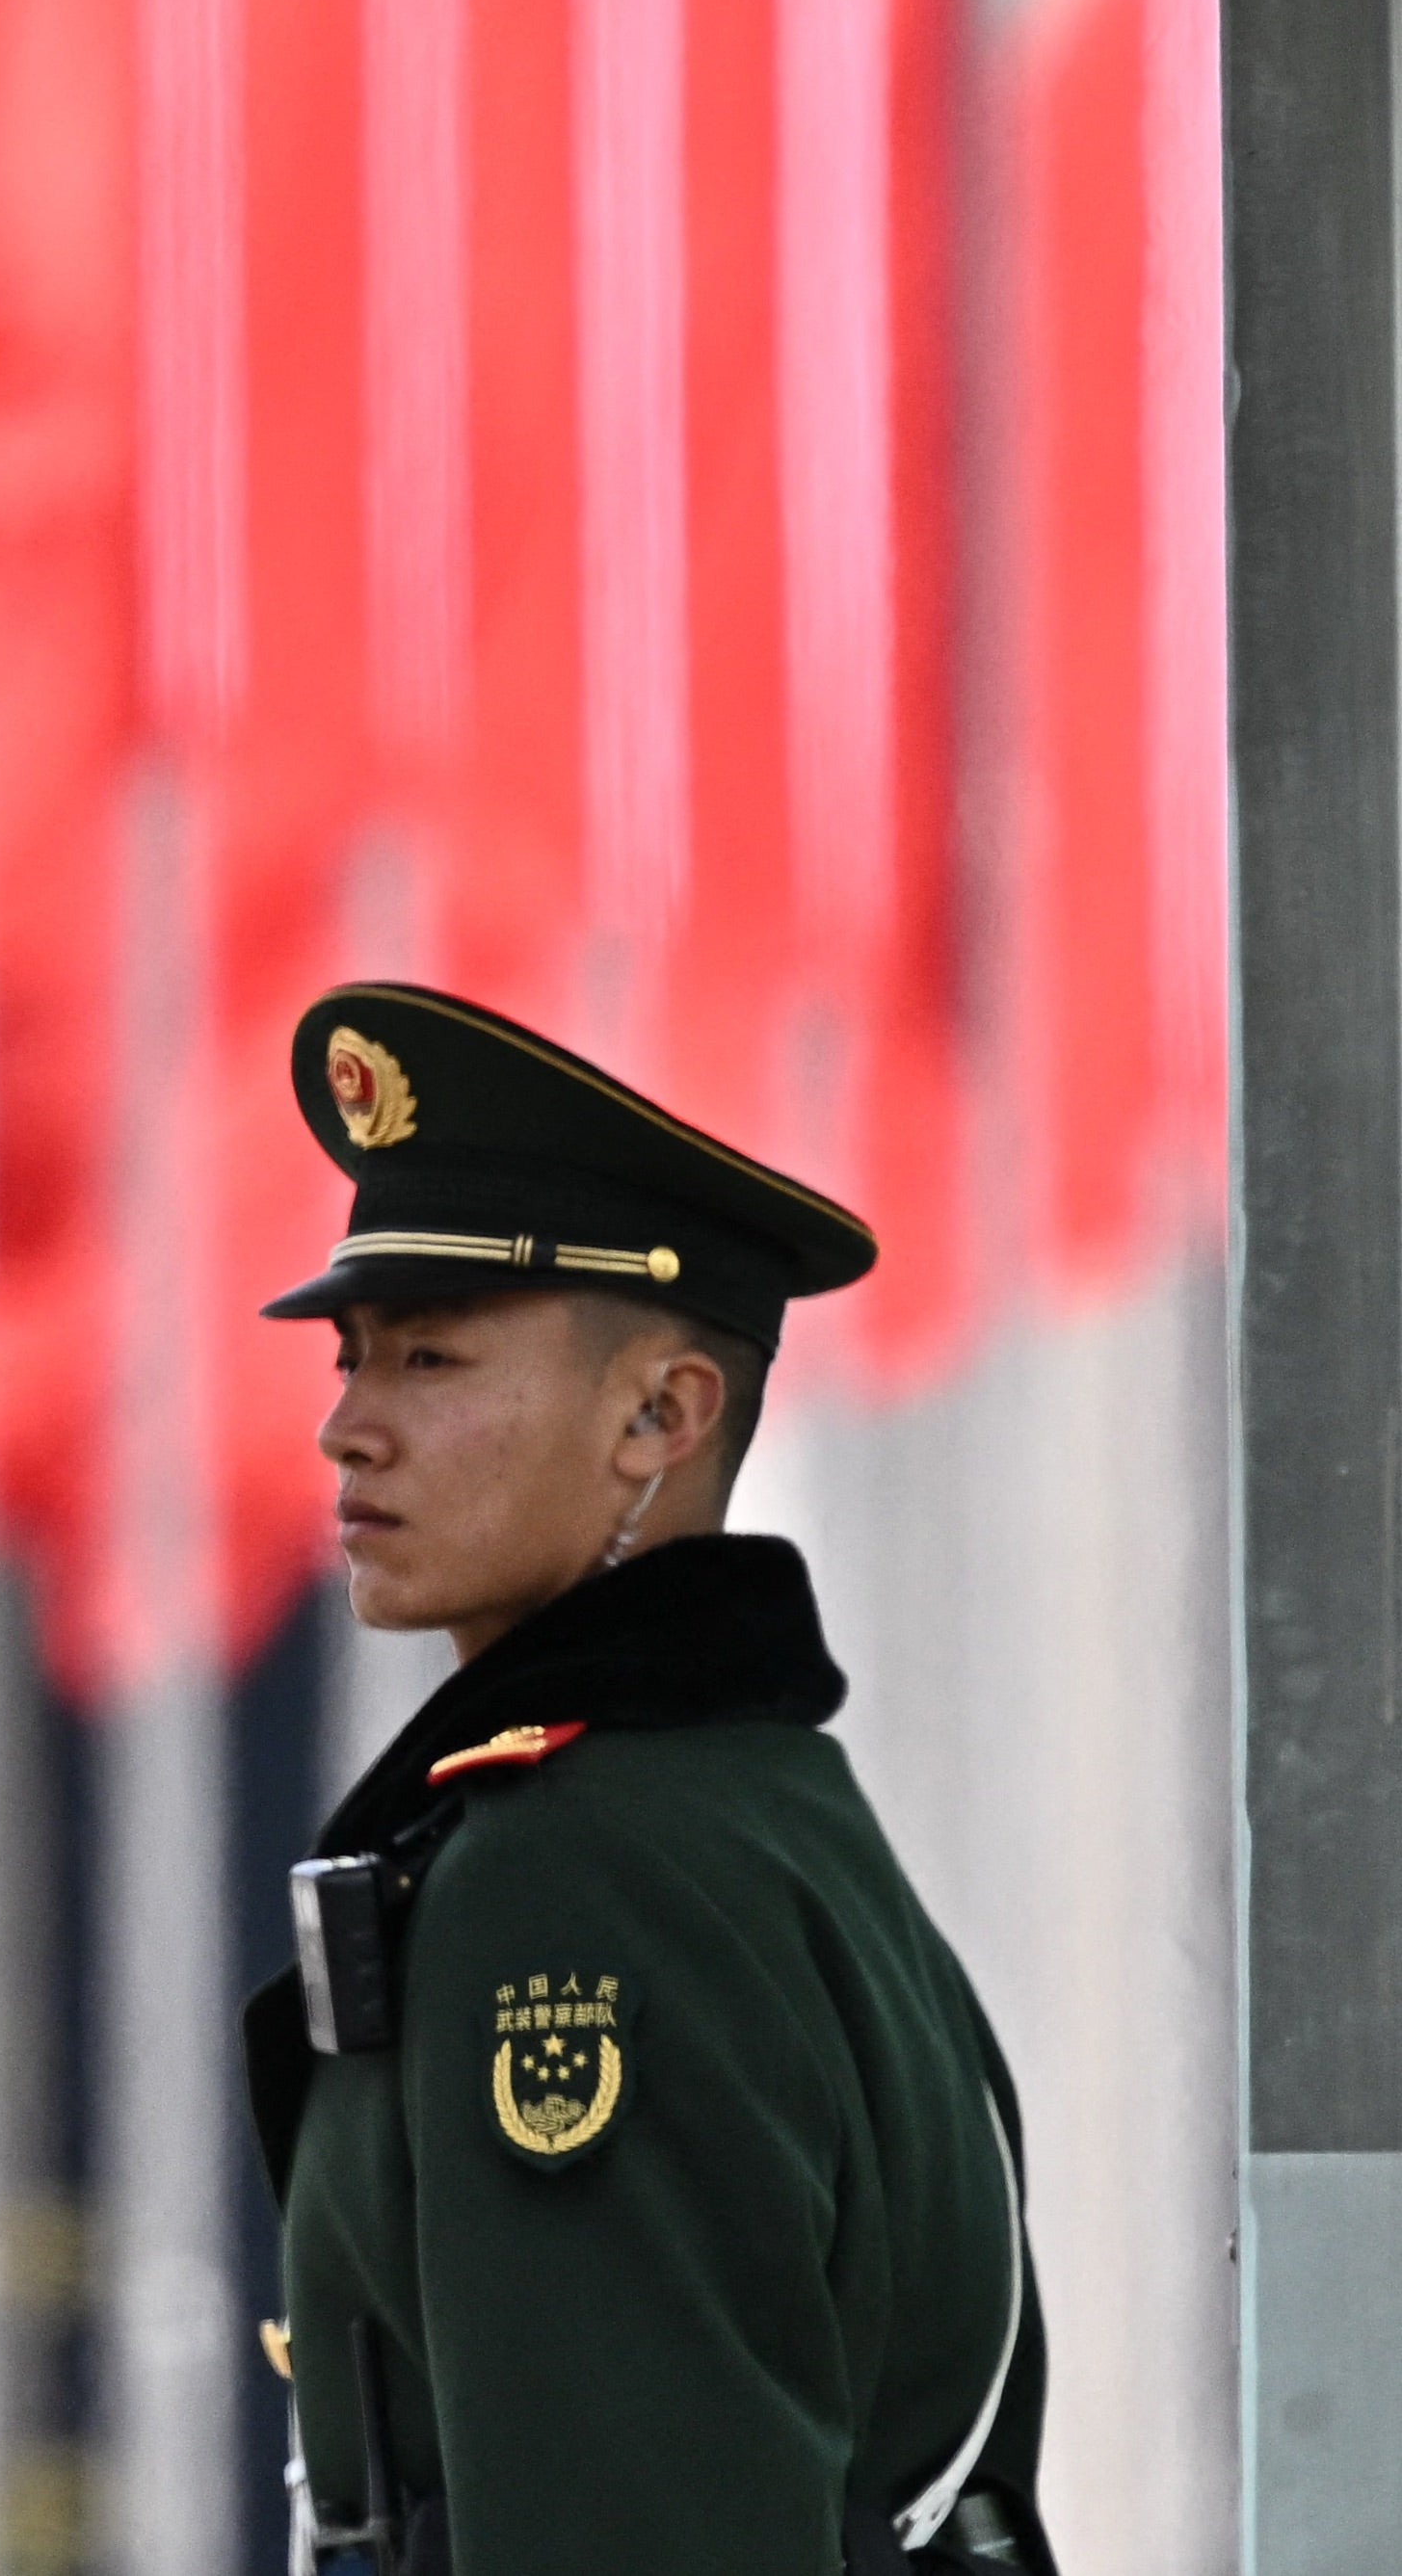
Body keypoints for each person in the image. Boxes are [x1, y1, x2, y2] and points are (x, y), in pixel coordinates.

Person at [239, 982, 1055, 2576]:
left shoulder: (578, 1873)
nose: (349, 1427)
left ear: (660, 1415)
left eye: (428, 1355)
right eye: (349, 1358)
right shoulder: (751, 1803)